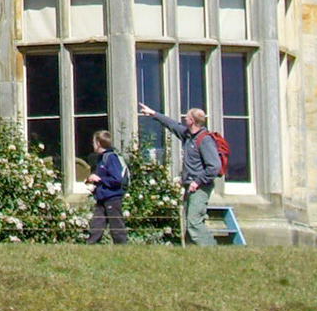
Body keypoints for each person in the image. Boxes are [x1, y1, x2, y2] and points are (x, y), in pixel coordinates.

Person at [140, 102, 222, 246]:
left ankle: (212, 250)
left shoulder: (205, 140)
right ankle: (192, 254)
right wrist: (153, 113)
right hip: (190, 186)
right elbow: (172, 124)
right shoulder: (188, 136)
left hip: (200, 187)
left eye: (187, 117)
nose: (184, 119)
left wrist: (197, 181)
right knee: (187, 222)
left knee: (194, 222)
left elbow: (214, 167)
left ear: (192, 121)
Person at [82, 129, 128, 244]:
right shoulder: (101, 159)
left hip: (112, 198)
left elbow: (116, 179)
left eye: (93, 142)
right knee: (96, 225)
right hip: (102, 197)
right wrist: (92, 181)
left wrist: (100, 179)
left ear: (98, 143)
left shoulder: (111, 158)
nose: (92, 145)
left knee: (116, 227)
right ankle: (89, 248)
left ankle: (123, 249)